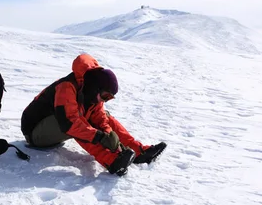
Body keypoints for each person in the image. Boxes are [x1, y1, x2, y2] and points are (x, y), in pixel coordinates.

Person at [20, 53, 166, 176]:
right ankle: (112, 161)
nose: (104, 100)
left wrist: (109, 134)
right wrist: (100, 137)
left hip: (55, 127)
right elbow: (70, 123)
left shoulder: (90, 93)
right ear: (96, 87)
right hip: (35, 133)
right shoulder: (67, 87)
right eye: (105, 96)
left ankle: (139, 152)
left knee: (104, 117)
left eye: (108, 98)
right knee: (78, 123)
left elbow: (100, 118)